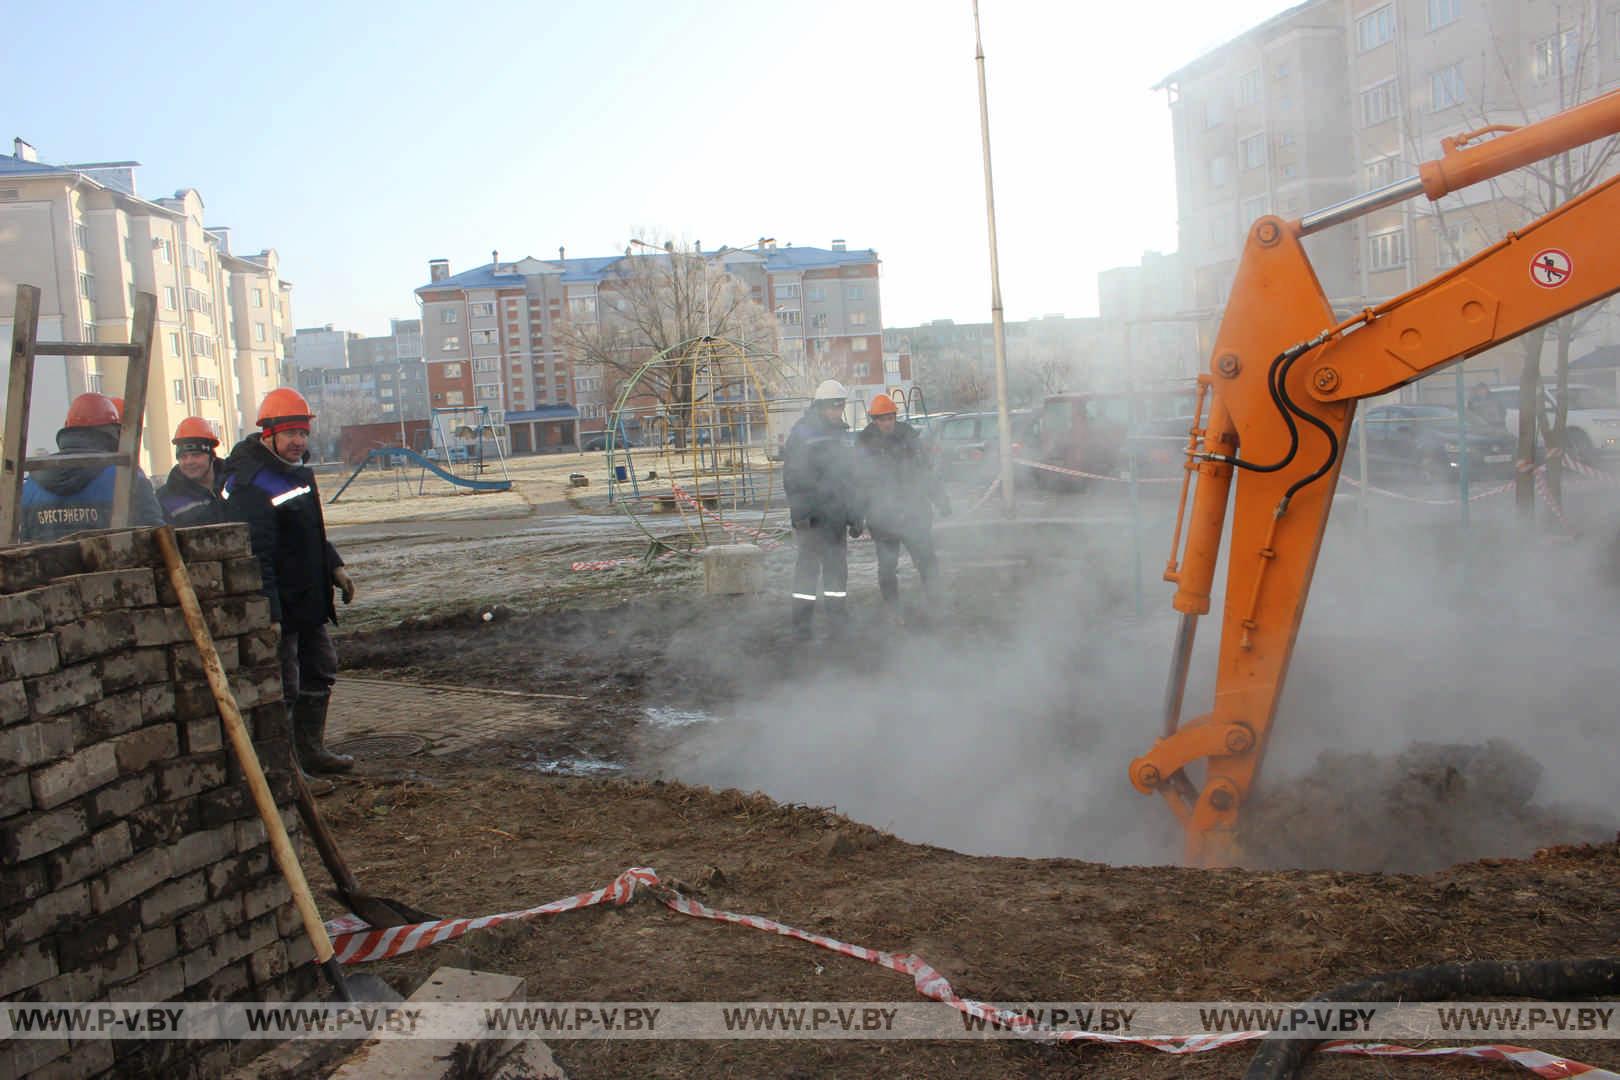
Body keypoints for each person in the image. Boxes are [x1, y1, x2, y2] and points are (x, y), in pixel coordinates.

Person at [222, 388, 357, 778]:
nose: (298, 442)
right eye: (290, 434)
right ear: (269, 435)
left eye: (303, 433)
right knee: (284, 687)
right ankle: (287, 772)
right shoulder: (253, 482)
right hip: (281, 602)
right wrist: (271, 613)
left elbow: (309, 532)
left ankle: (311, 751)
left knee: (321, 668)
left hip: (307, 598)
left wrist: (334, 566)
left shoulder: (294, 472)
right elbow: (259, 554)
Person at [856, 393, 951, 623]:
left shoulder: (910, 439)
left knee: (927, 561)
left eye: (890, 418)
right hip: (883, 519)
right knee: (887, 568)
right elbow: (858, 483)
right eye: (881, 419)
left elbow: (926, 473)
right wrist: (856, 516)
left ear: (895, 417)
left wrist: (941, 501)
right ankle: (893, 609)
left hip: (914, 514)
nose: (886, 423)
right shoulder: (865, 446)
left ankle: (936, 604)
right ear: (874, 420)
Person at [20, 392, 163, 541]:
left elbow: (22, 544)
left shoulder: (30, 486)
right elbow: (159, 541)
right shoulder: (127, 478)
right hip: (112, 563)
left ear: (67, 430)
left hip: (45, 564)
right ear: (113, 433)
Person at [782, 379, 864, 640]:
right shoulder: (803, 434)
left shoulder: (842, 433)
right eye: (833, 405)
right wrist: (801, 515)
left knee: (837, 571)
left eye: (841, 405)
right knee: (807, 572)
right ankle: (801, 625)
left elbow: (851, 478)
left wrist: (855, 514)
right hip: (813, 518)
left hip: (837, 517)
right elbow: (793, 479)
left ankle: (837, 621)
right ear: (820, 405)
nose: (838, 410)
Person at [156, 417, 226, 526]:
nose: (189, 461)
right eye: (183, 457)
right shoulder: (165, 500)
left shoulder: (233, 484)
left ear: (212, 457)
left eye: (196, 455)